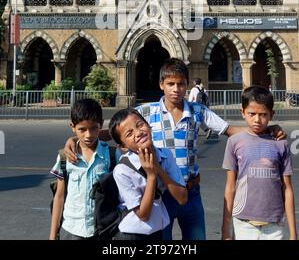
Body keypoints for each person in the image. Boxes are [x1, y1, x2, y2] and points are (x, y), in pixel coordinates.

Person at [64, 58, 285, 240]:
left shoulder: (197, 111)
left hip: (190, 191)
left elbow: (229, 130)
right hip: (160, 196)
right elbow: (115, 130)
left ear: (187, 85)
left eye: (180, 84)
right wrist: (76, 140)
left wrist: (266, 130)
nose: (176, 89)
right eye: (170, 84)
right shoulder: (146, 112)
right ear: (161, 85)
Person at [221, 85, 297, 240]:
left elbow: (287, 188)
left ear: (271, 114)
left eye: (263, 114)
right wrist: (225, 230)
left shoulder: (280, 143)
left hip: (274, 224)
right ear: (242, 113)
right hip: (243, 222)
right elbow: (230, 187)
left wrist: (294, 233)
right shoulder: (234, 142)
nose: (257, 119)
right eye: (252, 114)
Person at [108, 108, 187, 241]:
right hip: (132, 234)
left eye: (140, 125)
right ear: (123, 146)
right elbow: (143, 215)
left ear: (148, 125)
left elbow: (182, 198)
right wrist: (151, 176)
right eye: (129, 133)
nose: (138, 133)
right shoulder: (122, 170)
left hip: (157, 231)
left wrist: (158, 168)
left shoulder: (165, 154)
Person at [49, 98, 110, 240]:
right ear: (73, 126)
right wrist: (53, 234)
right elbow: (59, 196)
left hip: (102, 229)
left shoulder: (111, 156)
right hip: (71, 229)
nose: (88, 135)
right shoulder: (65, 158)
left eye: (94, 128)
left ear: (101, 124)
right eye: (82, 129)